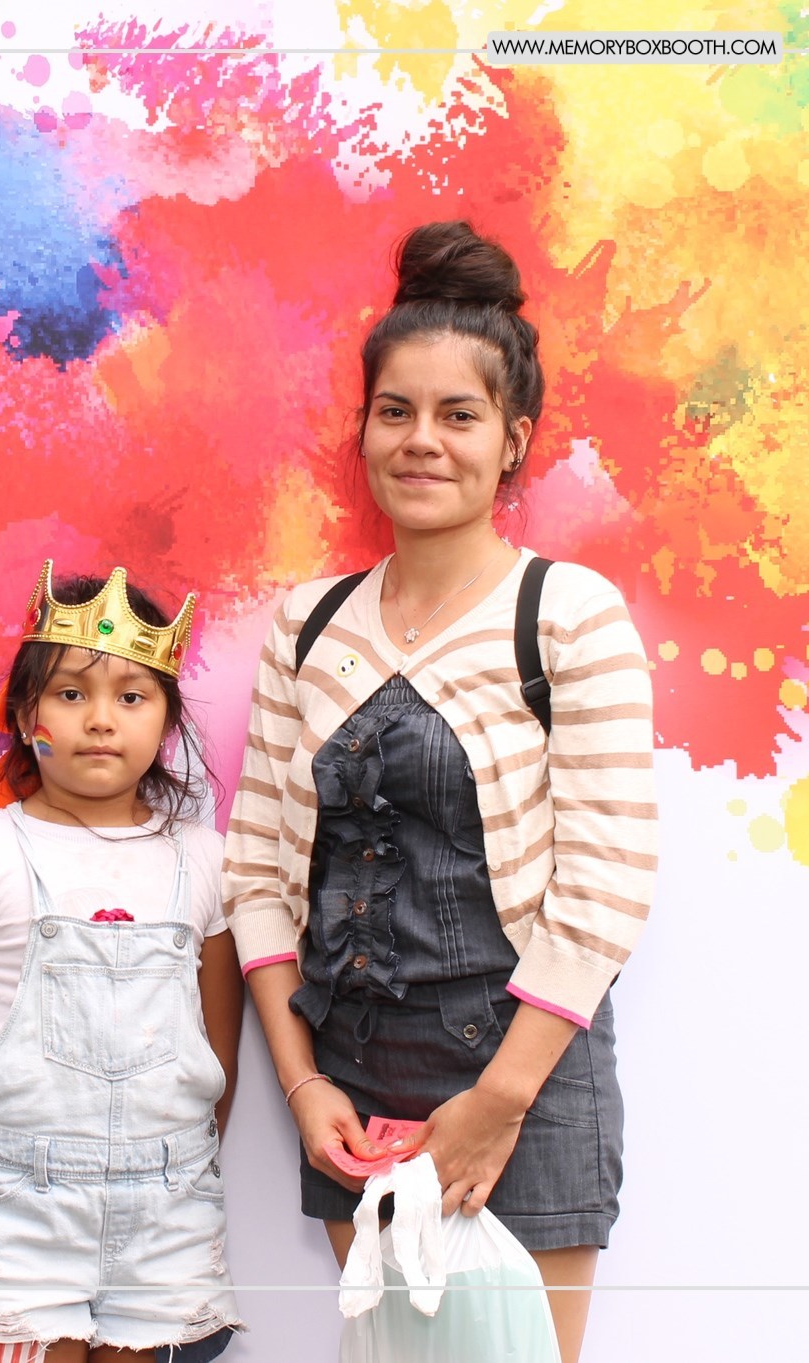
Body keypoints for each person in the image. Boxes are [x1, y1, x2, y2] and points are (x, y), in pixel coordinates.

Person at [223, 221, 658, 1362]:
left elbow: (605, 884)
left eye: (459, 415)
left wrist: (497, 1101)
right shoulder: (307, 623)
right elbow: (257, 874)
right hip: (352, 1081)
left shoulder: (566, 614)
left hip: (529, 1069)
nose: (421, 441)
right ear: (363, 428)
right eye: (395, 411)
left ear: (513, 441)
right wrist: (302, 1083)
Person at [0, 562, 245, 1363]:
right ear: (26, 711)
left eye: (131, 696)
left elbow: (218, 1052)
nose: (100, 719)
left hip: (168, 1210)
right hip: (15, 1208)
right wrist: (16, 1153)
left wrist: (166, 1160)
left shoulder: (204, 859)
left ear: (166, 717)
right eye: (70, 693)